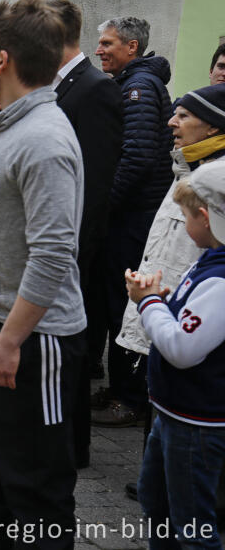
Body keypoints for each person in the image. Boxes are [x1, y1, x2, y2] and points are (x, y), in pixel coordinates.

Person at [0, 0, 85, 548]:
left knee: (34, 489)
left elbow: (54, 254)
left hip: (34, 341)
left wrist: (10, 342)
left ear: (2, 59)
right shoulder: (3, 126)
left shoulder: (46, 139)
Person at [114, 83, 225, 499]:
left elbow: (184, 346)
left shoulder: (214, 180)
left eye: (183, 115)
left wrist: (154, 302)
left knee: (192, 517)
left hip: (180, 320)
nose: (171, 122)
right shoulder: (189, 168)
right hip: (168, 301)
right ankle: (157, 481)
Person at [127, 161, 225, 550]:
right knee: (158, 502)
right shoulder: (208, 260)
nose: (183, 225)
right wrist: (165, 303)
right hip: (174, 413)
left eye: (185, 217)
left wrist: (149, 302)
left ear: (205, 217)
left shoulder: (219, 277)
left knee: (194, 527)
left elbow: (184, 350)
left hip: (197, 421)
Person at [48, 0, 123, 467]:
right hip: (65, 240)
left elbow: (95, 181)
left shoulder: (93, 89)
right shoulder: (64, 85)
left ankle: (73, 446)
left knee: (71, 343)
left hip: (75, 243)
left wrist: (75, 247)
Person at [93, 16, 174, 427]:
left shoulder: (139, 89)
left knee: (125, 306)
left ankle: (130, 399)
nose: (99, 50)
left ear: (132, 47)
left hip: (132, 217)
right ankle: (121, 388)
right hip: (129, 214)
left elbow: (137, 157)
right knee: (113, 305)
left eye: (108, 43)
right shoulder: (128, 84)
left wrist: (103, 207)